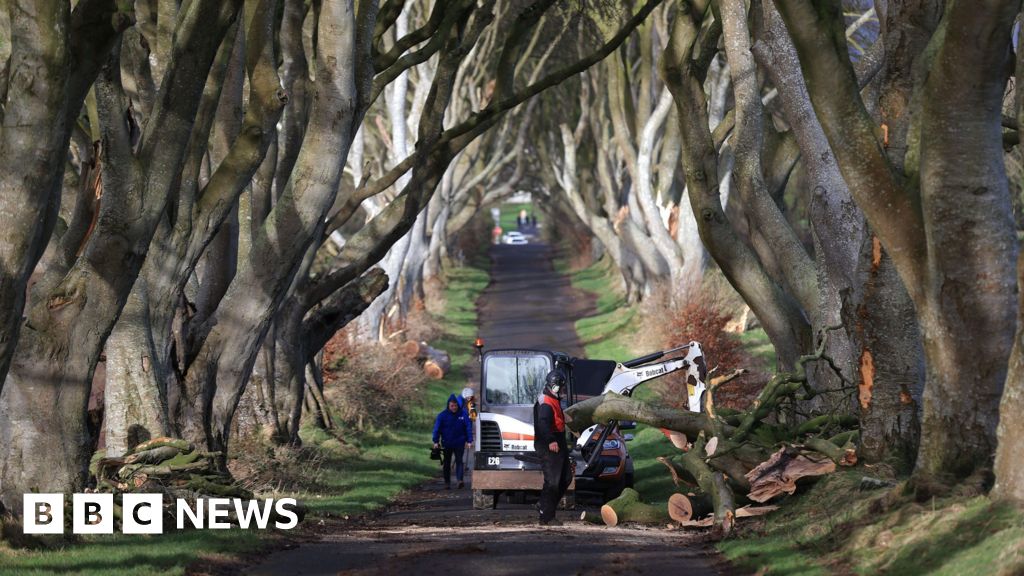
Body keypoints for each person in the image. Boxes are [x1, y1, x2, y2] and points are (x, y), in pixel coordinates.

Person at [533, 370, 571, 526]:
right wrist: (550, 440)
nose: (563, 390)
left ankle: (544, 504)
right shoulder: (546, 403)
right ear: (554, 387)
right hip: (548, 444)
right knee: (552, 482)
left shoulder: (553, 398)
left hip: (558, 441)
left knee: (566, 478)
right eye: (562, 387)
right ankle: (546, 517)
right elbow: (543, 423)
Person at [432, 394, 473, 489]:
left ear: (458, 405)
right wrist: (436, 441)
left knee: (459, 461)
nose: (454, 408)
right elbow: (436, 429)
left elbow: (468, 428)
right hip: (447, 443)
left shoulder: (463, 414)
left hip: (460, 442)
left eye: (455, 406)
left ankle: (459, 480)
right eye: (452, 406)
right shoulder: (442, 416)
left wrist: (469, 440)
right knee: (447, 463)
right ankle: (447, 482)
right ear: (448, 405)